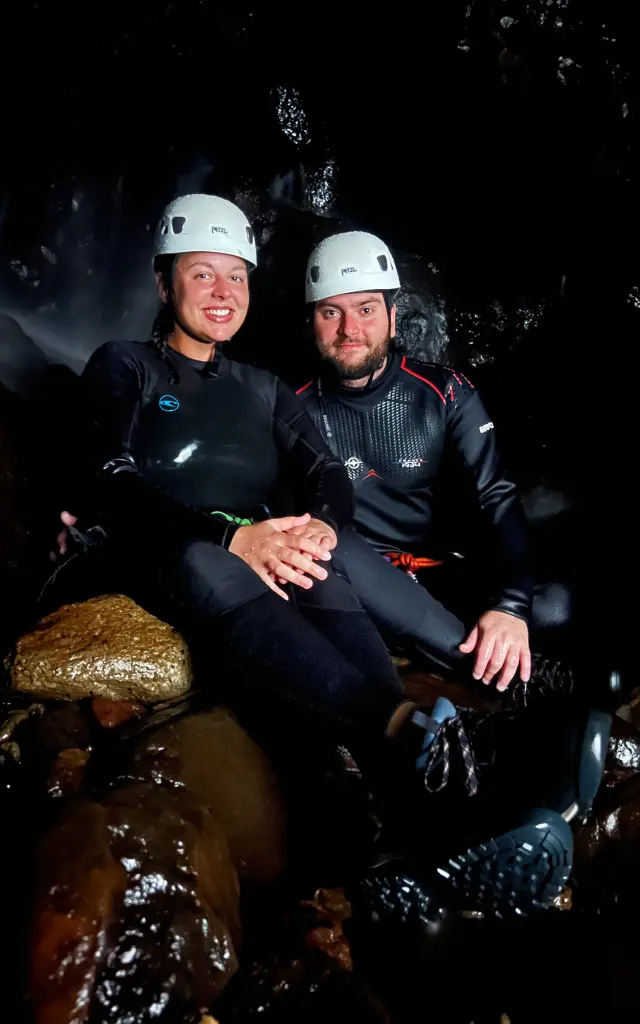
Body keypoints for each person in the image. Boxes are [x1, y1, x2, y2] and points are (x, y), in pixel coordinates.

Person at [51, 193, 576, 918]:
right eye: (202, 275)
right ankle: (401, 733)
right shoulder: (126, 366)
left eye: (235, 277)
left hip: (253, 535)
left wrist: (321, 526)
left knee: (328, 554)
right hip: (174, 547)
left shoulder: (263, 387)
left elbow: (325, 472)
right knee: (212, 564)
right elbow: (103, 469)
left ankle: (423, 827)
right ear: (164, 282)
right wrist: (233, 536)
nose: (222, 293)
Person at [296, 230, 583, 698]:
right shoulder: (294, 409)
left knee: (552, 604)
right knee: (328, 552)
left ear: (392, 317)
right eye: (332, 312)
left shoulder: (444, 392)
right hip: (350, 579)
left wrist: (510, 607)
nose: (350, 329)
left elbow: (496, 495)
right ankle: (517, 683)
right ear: (313, 322)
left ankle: (478, 653)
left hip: (430, 572)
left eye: (366, 309)